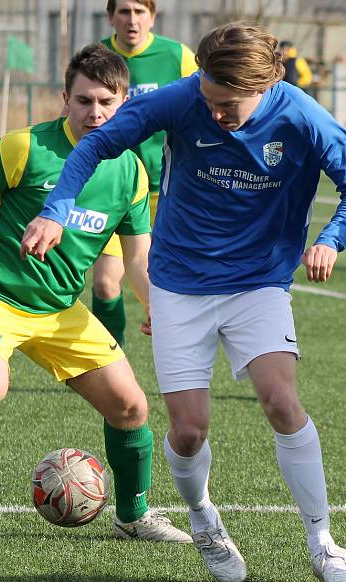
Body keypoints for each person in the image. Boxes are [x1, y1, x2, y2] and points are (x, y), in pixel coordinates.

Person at [19, 21, 346, 582]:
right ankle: (206, 523)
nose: (213, 114)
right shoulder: (184, 97)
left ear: (262, 87)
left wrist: (332, 238)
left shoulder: (303, 117)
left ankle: (323, 541)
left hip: (258, 282)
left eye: (227, 105)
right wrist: (58, 206)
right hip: (180, 282)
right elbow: (95, 145)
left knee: (282, 402)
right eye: (207, 100)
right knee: (188, 430)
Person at [0, 43, 190, 547]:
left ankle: (133, 515)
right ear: (64, 99)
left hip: (57, 310)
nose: (94, 113)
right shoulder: (26, 147)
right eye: (83, 101)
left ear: (124, 103)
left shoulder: (131, 173)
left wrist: (156, 306)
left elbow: (139, 258)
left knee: (130, 408)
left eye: (105, 101)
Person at [91, 0, 198, 349]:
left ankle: (185, 349)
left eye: (139, 12)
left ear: (152, 17)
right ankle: (109, 356)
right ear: (110, 17)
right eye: (124, 11)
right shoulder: (96, 59)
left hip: (168, 190)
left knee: (175, 282)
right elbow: (75, 114)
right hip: (116, 188)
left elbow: (205, 106)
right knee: (106, 283)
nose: (132, 20)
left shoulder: (178, 57)